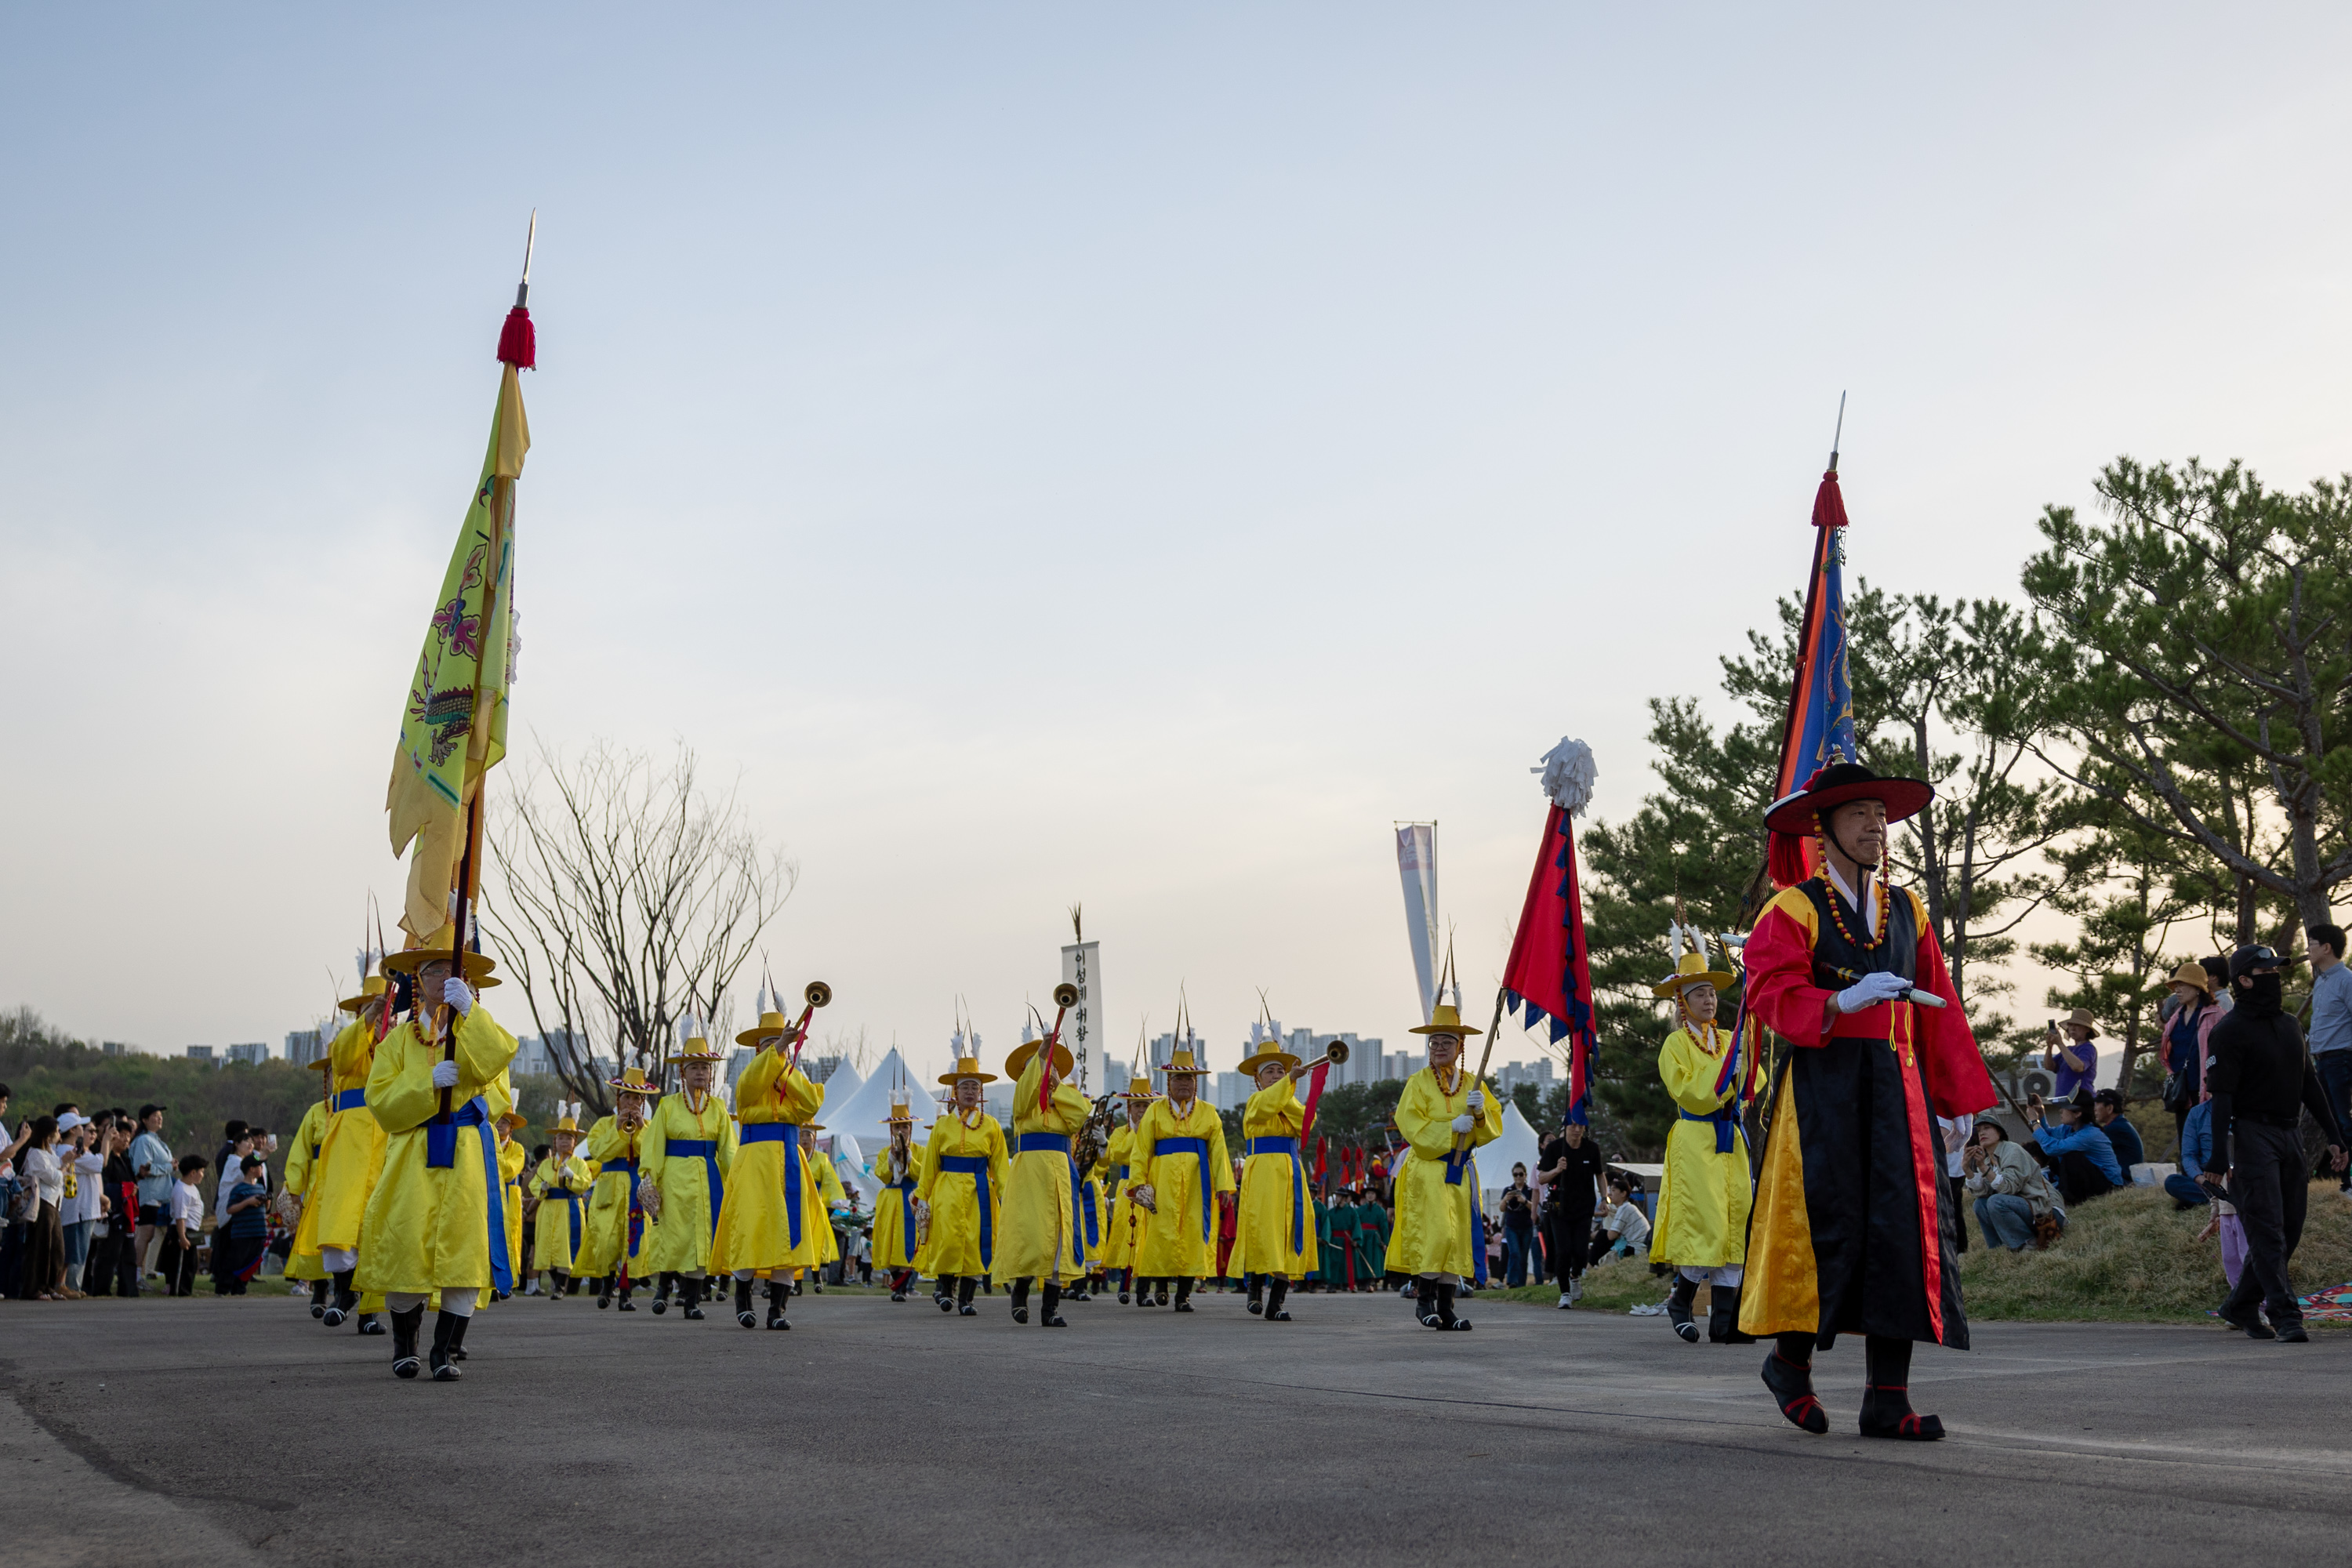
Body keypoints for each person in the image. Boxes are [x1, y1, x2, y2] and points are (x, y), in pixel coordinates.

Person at [1742, 762, 1995, 1442]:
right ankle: (1788, 1364)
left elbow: (1940, 1005)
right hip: (1822, 1091)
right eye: (1859, 814)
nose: (1876, 826)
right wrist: (1837, 1001)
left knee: (1901, 1233)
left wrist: (1956, 1098)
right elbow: (1768, 991)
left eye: (1881, 815)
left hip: (1899, 1090)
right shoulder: (1793, 908)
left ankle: (1888, 1398)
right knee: (1824, 1226)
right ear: (1823, 828)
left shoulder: (1909, 909)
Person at [354, 935, 520, 1381]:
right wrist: (426, 1084)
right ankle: (404, 1345)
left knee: (464, 1252)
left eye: (453, 971)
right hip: (414, 1151)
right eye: (434, 971)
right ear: (418, 980)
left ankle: (444, 1351)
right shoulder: (396, 1041)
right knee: (406, 1245)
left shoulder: (474, 1030)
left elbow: (498, 1078)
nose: (444, 978)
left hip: (466, 1150)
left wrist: (471, 1014)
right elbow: (380, 1101)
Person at [2200, 945, 2349, 1341]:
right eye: (2266, 972)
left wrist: (2334, 1135)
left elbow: (2309, 1084)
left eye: (2276, 971)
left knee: (2290, 1228)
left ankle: (2240, 1304)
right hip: (2252, 1136)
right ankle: (2286, 1315)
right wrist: (2217, 1157)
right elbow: (2222, 1098)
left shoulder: (2289, 1025)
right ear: (2244, 981)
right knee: (2266, 1230)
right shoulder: (2228, 1031)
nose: (2276, 978)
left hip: (2290, 1134)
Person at [1647, 947, 1754, 1344]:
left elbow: (1754, 1083)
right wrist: (1725, 1071)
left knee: (1735, 1222)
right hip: (1696, 1139)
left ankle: (1724, 1322)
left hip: (1730, 1137)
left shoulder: (1728, 1038)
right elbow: (1689, 1092)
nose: (1709, 1000)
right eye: (1700, 994)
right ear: (1683, 1002)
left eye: (1712, 993)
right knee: (1705, 1223)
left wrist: (1744, 1065)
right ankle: (1681, 1300)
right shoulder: (1675, 1045)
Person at [1389, 1003, 1502, 1330]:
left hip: (1460, 1169)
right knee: (1436, 1234)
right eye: (1434, 1042)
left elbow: (1492, 1128)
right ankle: (1423, 1301)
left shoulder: (1472, 1083)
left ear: (1460, 1046)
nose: (1439, 1048)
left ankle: (1446, 1308)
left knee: (1456, 1238)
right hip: (1429, 1167)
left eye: (1446, 1042)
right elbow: (1409, 1124)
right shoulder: (1418, 1082)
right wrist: (1450, 1126)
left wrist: (1479, 1114)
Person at [294, 971, 393, 1335]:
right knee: (341, 1216)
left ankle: (370, 1312)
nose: (377, 1016)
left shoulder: (397, 1041)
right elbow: (343, 1057)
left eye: (382, 1009)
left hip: (386, 1135)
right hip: (349, 1135)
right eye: (368, 1009)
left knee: (377, 1222)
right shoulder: (348, 1041)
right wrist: (369, 1017)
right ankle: (342, 1293)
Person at [636, 1027, 737, 1321]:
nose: (701, 1073)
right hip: (674, 1178)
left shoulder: (718, 1108)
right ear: (683, 1071)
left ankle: (692, 1300)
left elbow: (728, 1150)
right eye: (695, 1067)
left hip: (708, 1179)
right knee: (673, 1233)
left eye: (705, 1067)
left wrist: (737, 1179)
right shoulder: (667, 1105)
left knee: (702, 1239)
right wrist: (649, 1177)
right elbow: (654, 1143)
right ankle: (663, 1289)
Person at [1127, 1044, 1236, 1313]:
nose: (1184, 1083)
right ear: (1169, 1082)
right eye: (1179, 1078)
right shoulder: (1155, 1111)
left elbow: (1219, 1150)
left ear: (1196, 1082)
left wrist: (1224, 1185)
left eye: (1189, 1078)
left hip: (1198, 1181)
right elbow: (1141, 1150)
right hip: (1162, 1178)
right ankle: (1162, 1285)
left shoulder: (1209, 1112)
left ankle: (1184, 1295)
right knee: (1162, 1231)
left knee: (1192, 1233)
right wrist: (1139, 1183)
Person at [996, 1028, 1087, 1329]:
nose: (1046, 1073)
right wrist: (1040, 1056)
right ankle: (1020, 1292)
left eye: (1052, 1068)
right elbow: (1024, 1096)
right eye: (1038, 1069)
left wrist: (1058, 1086)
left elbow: (1080, 1114)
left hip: (1060, 1173)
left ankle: (1050, 1309)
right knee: (1031, 1235)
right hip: (1030, 1174)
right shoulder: (1024, 1106)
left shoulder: (1063, 1104)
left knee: (1060, 1240)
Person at [916, 1049, 1007, 1317]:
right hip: (947, 1189)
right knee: (947, 1239)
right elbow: (930, 1164)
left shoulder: (991, 1126)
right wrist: (922, 1196)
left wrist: (1007, 1194)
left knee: (976, 1242)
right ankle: (946, 1290)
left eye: (974, 1087)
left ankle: (967, 1299)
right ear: (955, 1091)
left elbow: (1000, 1166)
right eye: (965, 1087)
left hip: (980, 1190)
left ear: (981, 1092)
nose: (970, 1092)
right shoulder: (942, 1126)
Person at [1231, 1039, 1318, 1310]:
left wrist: (1287, 1088)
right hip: (1263, 1171)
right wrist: (1288, 1082)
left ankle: (1276, 1303)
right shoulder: (1255, 1100)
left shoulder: (1289, 1101)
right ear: (1258, 1078)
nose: (1276, 1075)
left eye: (1281, 1071)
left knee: (1291, 1228)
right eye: (1270, 1072)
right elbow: (1267, 1106)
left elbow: (1307, 1121)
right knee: (1263, 1227)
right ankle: (1255, 1288)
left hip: (1290, 1170)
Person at [579, 1068, 659, 1309]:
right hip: (610, 1188)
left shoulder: (650, 1126)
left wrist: (642, 1129)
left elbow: (654, 1153)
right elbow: (599, 1152)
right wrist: (617, 1130)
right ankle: (606, 1286)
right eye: (627, 1097)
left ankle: (626, 1294)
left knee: (634, 1240)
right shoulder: (604, 1125)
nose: (631, 1103)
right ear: (618, 1099)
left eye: (637, 1098)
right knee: (606, 1240)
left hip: (637, 1188)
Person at [528, 1110, 595, 1298]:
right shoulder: (546, 1164)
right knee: (547, 1245)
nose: (564, 1142)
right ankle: (556, 1281)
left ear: (575, 1142)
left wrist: (573, 1177)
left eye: (569, 1138)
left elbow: (586, 1183)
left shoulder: (580, 1163)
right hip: (549, 1207)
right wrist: (541, 1188)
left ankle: (560, 1286)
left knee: (566, 1246)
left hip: (569, 1206)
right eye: (561, 1138)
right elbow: (535, 1183)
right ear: (555, 1141)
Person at [1538, 1120, 1604, 1307]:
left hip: (1584, 1208)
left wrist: (1605, 1198)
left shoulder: (1592, 1148)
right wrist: (1557, 1170)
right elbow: (1541, 1178)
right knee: (1564, 1250)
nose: (1577, 1130)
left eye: (1580, 1126)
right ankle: (1565, 1293)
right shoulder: (1554, 1149)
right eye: (1573, 1126)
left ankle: (1575, 1276)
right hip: (1559, 1207)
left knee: (1581, 1251)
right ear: (1565, 1127)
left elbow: (1600, 1174)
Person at [2307, 922, 2352, 1194]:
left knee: (2345, 1121)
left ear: (2326, 947)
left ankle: (2350, 1182)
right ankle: (2343, 1180)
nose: (2307, 949)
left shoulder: (2347, 980)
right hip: (2321, 1061)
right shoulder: (2321, 981)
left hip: (2341, 1059)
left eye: (2311, 944)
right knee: (2332, 1123)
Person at [1959, 1120, 2053, 1251]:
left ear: (1999, 1132)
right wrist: (1967, 1169)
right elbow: (1983, 1193)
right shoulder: (1988, 1159)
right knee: (1980, 1204)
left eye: (1987, 1128)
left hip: (2044, 1211)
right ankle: (1997, 1247)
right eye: (1979, 1131)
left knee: (1996, 1201)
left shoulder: (2012, 1150)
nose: (1982, 1133)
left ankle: (2026, 1243)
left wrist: (1984, 1168)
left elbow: (2008, 1188)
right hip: (2024, 1209)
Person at [2161, 960, 2225, 1146]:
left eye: (2182, 984)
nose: (2177, 990)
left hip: (2206, 1089)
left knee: (2206, 1144)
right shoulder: (2176, 1017)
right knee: (2186, 1144)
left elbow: (2226, 1052)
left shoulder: (2215, 1015)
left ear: (2197, 988)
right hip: (2181, 1091)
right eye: (2176, 985)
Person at [1102, 1073, 1153, 1301]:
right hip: (1128, 1187)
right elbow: (1120, 1155)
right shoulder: (1120, 1133)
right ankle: (1124, 1286)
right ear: (1129, 1108)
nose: (1141, 1110)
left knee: (1147, 1237)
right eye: (1137, 1106)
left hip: (1150, 1187)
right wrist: (1137, 1132)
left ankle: (1143, 1291)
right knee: (1128, 1235)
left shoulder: (1156, 1129)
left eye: (1145, 1105)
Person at [2027, 1093, 2120, 1205]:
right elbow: (2048, 1135)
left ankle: (2069, 1200)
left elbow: (2051, 1148)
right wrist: (2041, 1114)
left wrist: (2034, 1122)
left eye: (2065, 1108)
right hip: (2093, 1179)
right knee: (2057, 1160)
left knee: (2071, 1157)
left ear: (2078, 1113)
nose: (2061, 1111)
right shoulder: (2069, 1128)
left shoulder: (2089, 1134)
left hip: (2108, 1186)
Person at [18, 1116, 64, 1299]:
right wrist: (65, 1165)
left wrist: (64, 1165)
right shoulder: (35, 1153)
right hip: (42, 1202)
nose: (59, 1135)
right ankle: (33, 1288)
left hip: (54, 1203)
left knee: (56, 1248)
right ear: (48, 1134)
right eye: (57, 1131)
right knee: (39, 1247)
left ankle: (48, 1286)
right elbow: (53, 1178)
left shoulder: (51, 1153)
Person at [130, 1104, 173, 1280]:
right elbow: (144, 1169)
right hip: (148, 1194)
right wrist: (169, 1167)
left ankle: (137, 1275)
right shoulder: (143, 1141)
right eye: (155, 1115)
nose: (159, 1118)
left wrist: (171, 1165)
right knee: (145, 1235)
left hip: (158, 1196)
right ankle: (135, 1276)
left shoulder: (156, 1140)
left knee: (148, 1235)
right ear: (145, 1120)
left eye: (160, 1115)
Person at [216, 1154, 270, 1294]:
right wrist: (247, 1202)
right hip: (243, 1234)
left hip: (259, 1232)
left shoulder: (260, 1187)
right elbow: (230, 1209)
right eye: (259, 1166)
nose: (261, 1169)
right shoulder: (238, 1189)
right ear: (251, 1169)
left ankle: (239, 1289)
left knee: (250, 1264)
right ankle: (223, 1289)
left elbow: (265, 1210)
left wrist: (267, 1201)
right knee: (235, 1261)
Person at [162, 1154, 207, 1296]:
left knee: (192, 1263)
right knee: (182, 1264)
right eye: (201, 1171)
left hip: (191, 1231)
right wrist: (182, 1237)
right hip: (182, 1231)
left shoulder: (191, 1187)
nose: (202, 1175)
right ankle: (178, 1290)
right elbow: (180, 1216)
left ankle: (186, 1290)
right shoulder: (181, 1190)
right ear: (193, 1172)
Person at [2043, 1009, 2100, 1101]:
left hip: (2081, 1101)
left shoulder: (2088, 1048)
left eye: (2077, 1025)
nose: (2073, 1028)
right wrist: (2049, 1047)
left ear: (2087, 1029)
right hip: (2064, 1100)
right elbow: (2049, 1067)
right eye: (2071, 1025)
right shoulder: (2068, 1050)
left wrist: (2060, 1044)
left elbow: (2078, 1067)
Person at [1595, 1174, 1650, 1260]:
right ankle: (1591, 1264)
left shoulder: (1624, 1209)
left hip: (1637, 1248)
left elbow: (1611, 1236)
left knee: (1602, 1235)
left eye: (1613, 1190)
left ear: (1623, 1194)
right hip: (1640, 1246)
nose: (1609, 1194)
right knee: (1602, 1236)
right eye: (1610, 1190)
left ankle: (1590, 1265)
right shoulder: (1626, 1207)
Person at [2090, 1090, 2144, 1175]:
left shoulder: (2115, 1128)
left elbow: (2089, 1147)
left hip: (2123, 1178)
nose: (2094, 1109)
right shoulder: (2120, 1124)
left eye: (2097, 1105)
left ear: (2109, 1108)